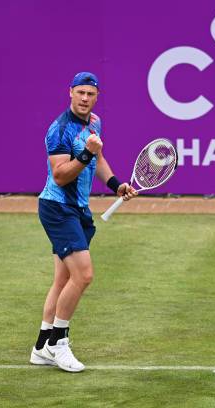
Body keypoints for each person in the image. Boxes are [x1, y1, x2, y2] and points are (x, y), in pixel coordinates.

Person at [29, 72, 137, 372]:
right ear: (70, 93)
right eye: (80, 93)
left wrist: (116, 184)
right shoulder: (59, 130)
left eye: (90, 94)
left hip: (78, 209)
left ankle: (40, 347)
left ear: (96, 96)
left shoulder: (95, 122)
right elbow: (61, 175)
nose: (85, 99)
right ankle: (58, 343)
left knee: (63, 280)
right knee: (84, 276)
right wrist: (87, 154)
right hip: (57, 208)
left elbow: (99, 159)